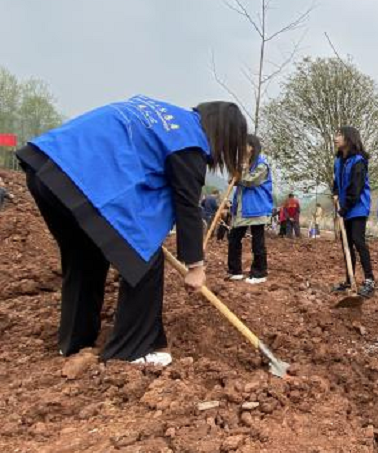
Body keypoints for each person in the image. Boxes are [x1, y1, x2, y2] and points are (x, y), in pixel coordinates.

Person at [16, 96, 248, 366]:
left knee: (85, 258)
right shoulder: (189, 141)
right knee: (144, 255)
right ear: (226, 134)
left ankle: (75, 343)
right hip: (83, 178)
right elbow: (187, 206)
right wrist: (195, 266)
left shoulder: (164, 119)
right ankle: (133, 350)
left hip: (46, 167)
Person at [332, 125, 374, 297]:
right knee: (346, 245)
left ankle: (370, 280)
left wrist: (344, 209)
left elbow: (355, 189)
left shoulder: (358, 161)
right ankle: (350, 279)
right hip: (344, 207)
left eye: (339, 135)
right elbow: (337, 180)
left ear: (349, 138)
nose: (335, 137)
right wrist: (334, 192)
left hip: (357, 207)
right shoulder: (339, 160)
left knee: (358, 241)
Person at [227, 134, 273, 284]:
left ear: (252, 148)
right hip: (242, 208)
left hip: (257, 208)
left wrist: (242, 172)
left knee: (257, 241)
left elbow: (250, 181)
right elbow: (233, 179)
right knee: (234, 238)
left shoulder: (262, 165)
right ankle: (235, 271)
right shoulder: (242, 163)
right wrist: (236, 173)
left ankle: (259, 273)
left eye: (244, 145)